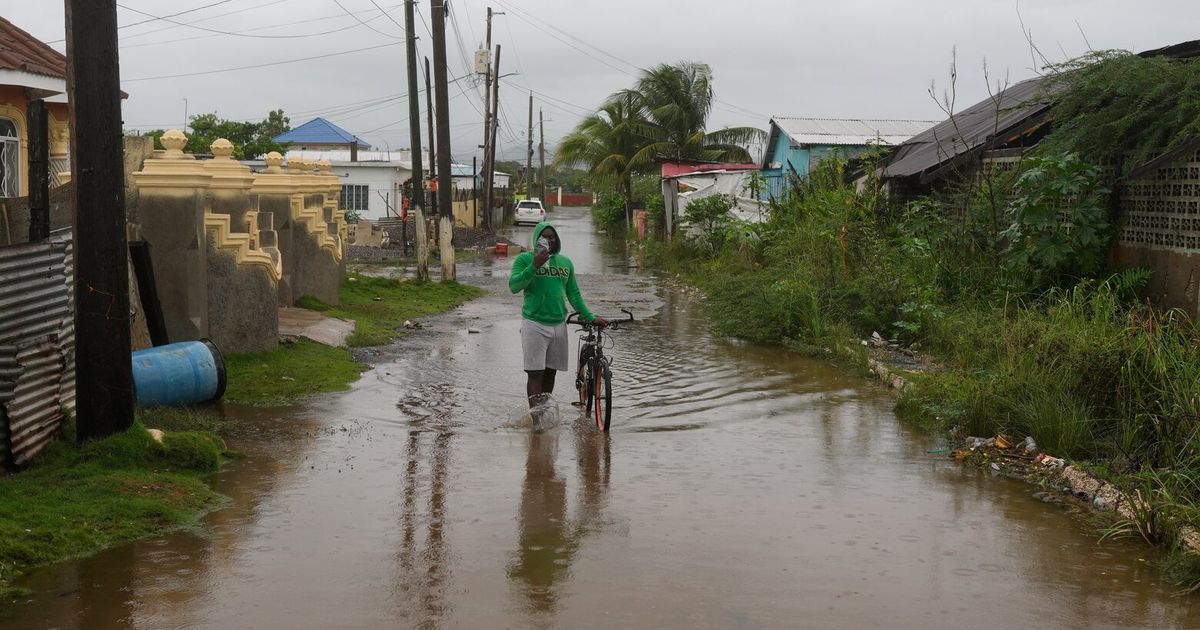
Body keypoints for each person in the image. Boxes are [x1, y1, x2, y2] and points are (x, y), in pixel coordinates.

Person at [509, 222, 607, 421]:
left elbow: (574, 294)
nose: (549, 241)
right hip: (534, 324)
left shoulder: (565, 263)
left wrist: (590, 316)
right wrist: (534, 265)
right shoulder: (524, 259)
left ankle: (543, 414)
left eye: (552, 237)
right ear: (537, 239)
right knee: (535, 374)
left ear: (557, 240)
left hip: (558, 325)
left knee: (550, 373)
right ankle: (537, 423)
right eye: (544, 237)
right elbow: (514, 286)